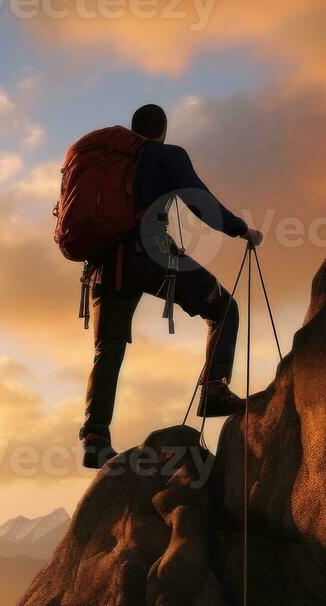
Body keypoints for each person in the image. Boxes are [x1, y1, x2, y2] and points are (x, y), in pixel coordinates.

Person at [81, 103, 264, 469]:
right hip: (150, 254)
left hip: (102, 265)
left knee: (109, 350)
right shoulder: (166, 155)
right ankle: (213, 389)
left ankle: (96, 438)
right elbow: (200, 202)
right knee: (223, 308)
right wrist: (242, 229)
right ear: (162, 130)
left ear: (131, 132)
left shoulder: (105, 163)